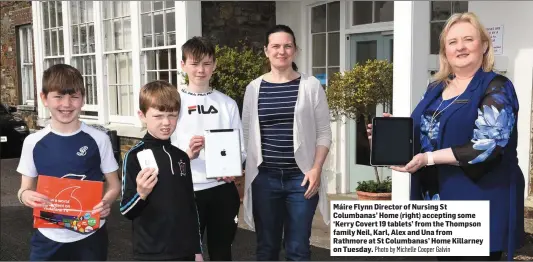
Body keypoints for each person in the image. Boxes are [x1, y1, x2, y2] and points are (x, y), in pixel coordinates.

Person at [367, 12, 524, 261]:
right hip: (438, 200)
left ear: (483, 45)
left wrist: (428, 159)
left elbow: (488, 145)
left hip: (478, 198)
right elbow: (424, 137)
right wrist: (391, 138)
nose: (460, 47)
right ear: (444, 51)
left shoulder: (497, 86)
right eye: (452, 42)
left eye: (468, 39)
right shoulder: (436, 88)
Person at [241, 24, 332, 261]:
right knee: (266, 248)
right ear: (266, 50)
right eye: (276, 46)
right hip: (264, 179)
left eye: (287, 46)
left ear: (295, 50)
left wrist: (316, 168)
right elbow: (246, 135)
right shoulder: (253, 88)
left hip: (301, 179)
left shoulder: (310, 86)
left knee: (298, 249)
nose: (282, 51)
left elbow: (324, 132)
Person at [16, 64, 121, 261]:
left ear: (83, 99)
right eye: (58, 96)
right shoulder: (33, 142)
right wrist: (26, 196)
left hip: (89, 234)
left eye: (74, 96)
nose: (67, 104)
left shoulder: (99, 139)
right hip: (47, 237)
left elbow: (114, 184)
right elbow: (23, 190)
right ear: (44, 98)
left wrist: (106, 202)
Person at [170, 36, 245, 261]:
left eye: (206, 63)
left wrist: (233, 167)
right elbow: (163, 148)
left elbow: (240, 148)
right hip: (186, 190)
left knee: (222, 251)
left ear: (214, 65)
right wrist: (186, 154)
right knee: (188, 253)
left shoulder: (227, 104)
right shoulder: (173, 102)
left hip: (222, 190)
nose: (200, 70)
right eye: (194, 63)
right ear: (183, 65)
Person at [120, 80, 203, 261]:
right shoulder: (134, 156)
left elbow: (190, 206)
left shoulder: (181, 157)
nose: (166, 122)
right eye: (158, 116)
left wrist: (197, 250)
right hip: (150, 253)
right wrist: (141, 194)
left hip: (184, 251)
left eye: (172, 115)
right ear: (142, 115)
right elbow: (126, 210)